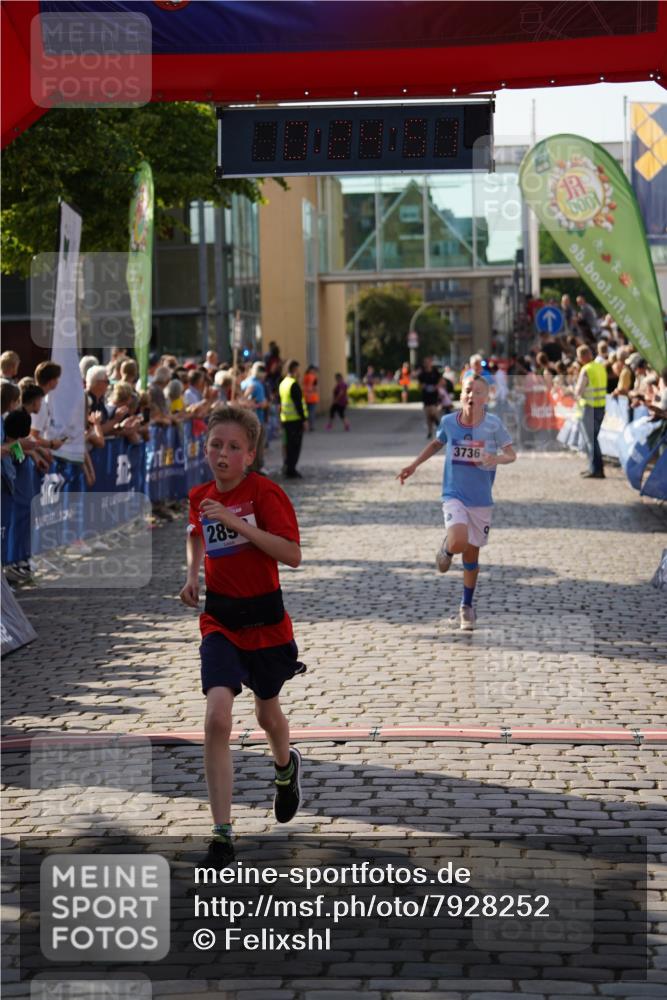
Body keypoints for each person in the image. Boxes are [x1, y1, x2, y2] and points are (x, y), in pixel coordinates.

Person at [179, 405, 306, 864]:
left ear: (250, 454)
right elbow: (197, 533)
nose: (223, 454)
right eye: (216, 445)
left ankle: (284, 766)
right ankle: (221, 831)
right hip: (222, 622)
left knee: (268, 715)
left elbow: (292, 554)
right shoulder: (199, 495)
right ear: (205, 448)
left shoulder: (265, 493)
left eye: (234, 447)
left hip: (268, 622)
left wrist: (238, 524)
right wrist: (192, 575)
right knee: (217, 717)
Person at [397, 374, 516, 631]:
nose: (472, 396)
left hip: (481, 499)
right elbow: (435, 444)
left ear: (487, 397)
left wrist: (495, 459)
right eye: (467, 391)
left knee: (472, 557)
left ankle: (466, 605)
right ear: (461, 394)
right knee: (459, 540)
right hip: (454, 494)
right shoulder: (450, 422)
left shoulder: (494, 425)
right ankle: (448, 549)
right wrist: (413, 465)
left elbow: (511, 454)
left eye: (478, 392)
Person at [574, 344, 607, 479]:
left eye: (579, 357)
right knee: (594, 440)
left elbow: (579, 391)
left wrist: (573, 391)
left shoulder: (586, 369)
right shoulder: (600, 367)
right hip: (601, 407)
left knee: (591, 441)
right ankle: (594, 468)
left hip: (589, 408)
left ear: (583, 356)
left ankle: (596, 470)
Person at [279, 359, 307, 479]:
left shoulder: (283, 383)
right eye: (298, 369)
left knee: (287, 445)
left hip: (285, 419)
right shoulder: (293, 384)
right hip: (295, 420)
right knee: (295, 446)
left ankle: (287, 467)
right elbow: (298, 404)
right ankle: (291, 469)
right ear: (294, 369)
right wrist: (304, 419)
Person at [418, 356, 442, 439]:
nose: (427, 364)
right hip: (426, 395)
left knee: (433, 411)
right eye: (426, 363)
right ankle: (430, 432)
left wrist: (437, 386)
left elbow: (441, 380)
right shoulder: (422, 374)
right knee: (428, 415)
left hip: (434, 395)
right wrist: (422, 386)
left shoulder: (435, 372)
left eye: (428, 362)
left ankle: (438, 423)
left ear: (431, 363)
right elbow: (419, 385)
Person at [303, 365, 319, 431]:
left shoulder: (305, 376)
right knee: (311, 413)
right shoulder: (313, 377)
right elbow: (315, 388)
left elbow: (304, 386)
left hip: (306, 397)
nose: (314, 371)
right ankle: (311, 426)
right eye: (313, 370)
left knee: (306, 413)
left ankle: (306, 426)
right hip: (312, 398)